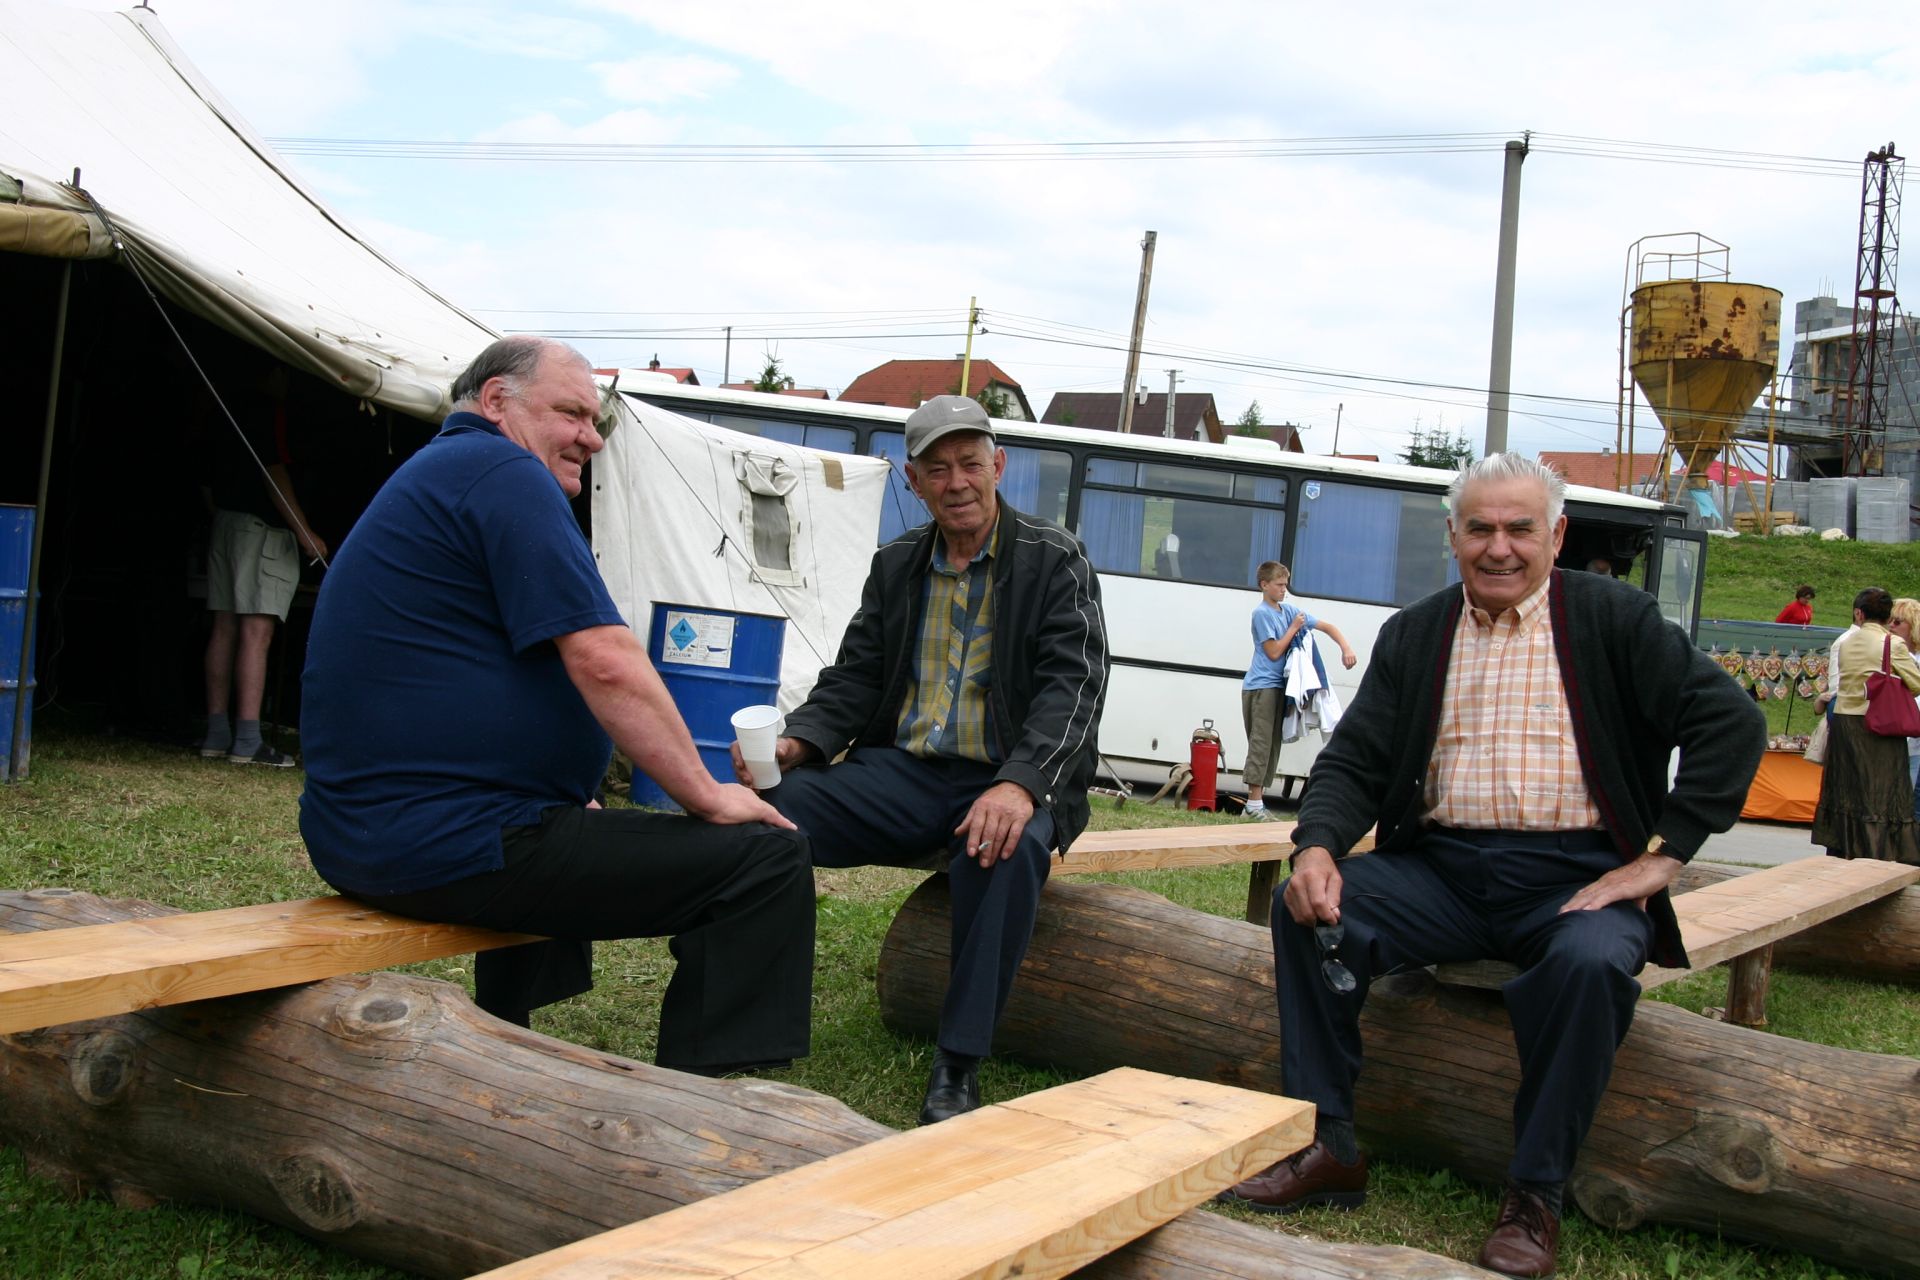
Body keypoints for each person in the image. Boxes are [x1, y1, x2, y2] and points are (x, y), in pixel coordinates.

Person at [1221, 454, 1765, 1279]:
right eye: (1480, 528)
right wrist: (1319, 846)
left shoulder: (1613, 618)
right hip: (1439, 872)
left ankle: (1535, 1193)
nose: (1499, 547)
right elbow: (1355, 762)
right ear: (1453, 536)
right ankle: (1327, 1144)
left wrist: (1662, 857)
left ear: (1558, 535)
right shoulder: (1417, 632)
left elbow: (1730, 722)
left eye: (1520, 528)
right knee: (1311, 913)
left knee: (1591, 965)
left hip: (1575, 876)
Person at [298, 337, 814, 1073]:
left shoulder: (453, 471)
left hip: (368, 833)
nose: (591, 438)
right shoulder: (503, 472)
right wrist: (706, 793)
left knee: (567, 816)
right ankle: (714, 1092)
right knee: (766, 858)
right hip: (440, 842)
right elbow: (605, 660)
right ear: (497, 402)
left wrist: (557, 783)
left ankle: (504, 1033)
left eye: (595, 420)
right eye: (571, 413)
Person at [735, 394, 1107, 1125]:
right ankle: (751, 1022)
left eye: (970, 463)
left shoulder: (1054, 558)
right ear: (914, 481)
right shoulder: (897, 563)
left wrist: (1022, 784)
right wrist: (797, 741)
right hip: (904, 774)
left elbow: (1076, 686)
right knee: (762, 814)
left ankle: (957, 1063)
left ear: (998, 466)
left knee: (1002, 849)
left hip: (1007, 775)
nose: (957, 482)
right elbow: (856, 677)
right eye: (937, 469)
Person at [199, 367, 327, 766]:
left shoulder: (222, 407)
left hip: (226, 522)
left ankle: (217, 734)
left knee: (224, 626)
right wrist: (305, 532)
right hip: (260, 528)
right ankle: (248, 740)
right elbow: (273, 470)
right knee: (256, 632)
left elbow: (204, 478)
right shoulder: (269, 410)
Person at [1810, 587, 1920, 865]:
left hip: (1845, 721)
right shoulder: (1892, 644)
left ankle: (1843, 847)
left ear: (1859, 613)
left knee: (1847, 789)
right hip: (1877, 724)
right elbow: (1916, 683)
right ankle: (1876, 852)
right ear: (1888, 616)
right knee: (1881, 791)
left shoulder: (1847, 642)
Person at [1242, 561, 1355, 821]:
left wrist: (1345, 648)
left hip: (1279, 687)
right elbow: (1273, 652)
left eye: (1286, 584)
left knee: (1272, 745)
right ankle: (1253, 805)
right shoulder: (1261, 614)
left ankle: (1257, 804)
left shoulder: (1289, 610)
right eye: (1279, 585)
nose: (1284, 589)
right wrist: (1294, 628)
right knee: (1260, 743)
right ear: (1264, 585)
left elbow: (1327, 627)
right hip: (1261, 686)